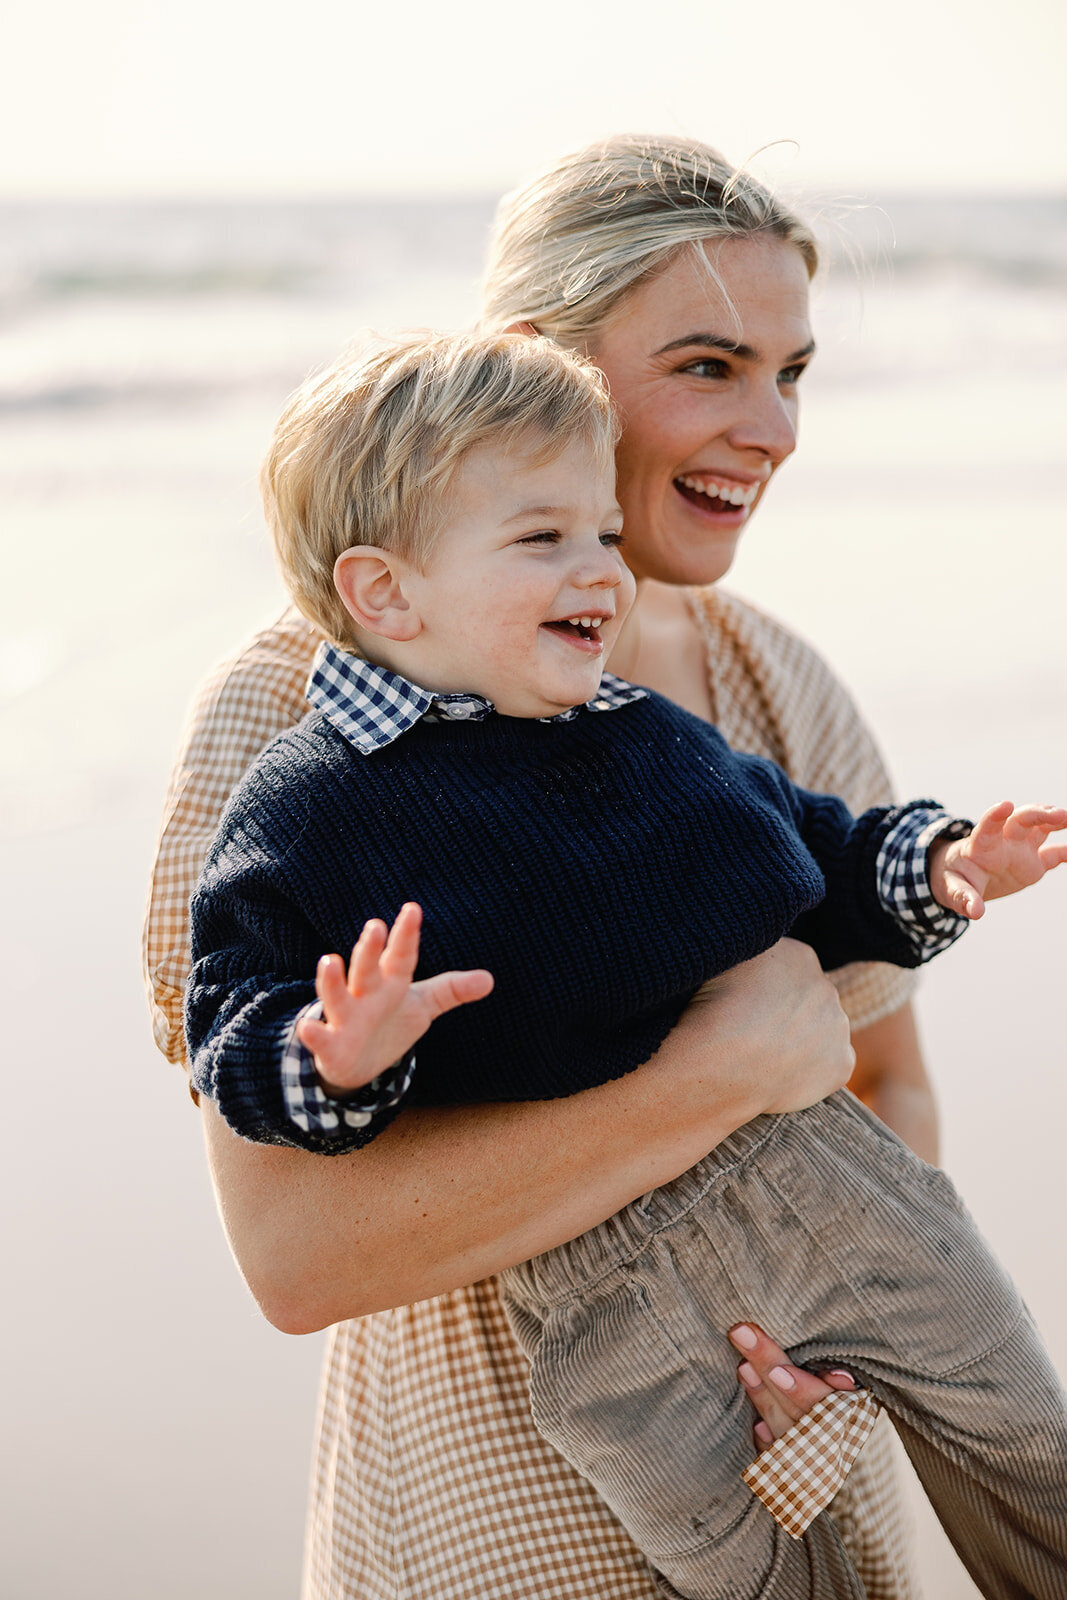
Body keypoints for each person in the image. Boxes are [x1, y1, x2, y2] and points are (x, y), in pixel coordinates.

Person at [145, 135, 967, 1599]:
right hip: (494, 1508)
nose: (771, 428)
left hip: (805, 1479)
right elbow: (298, 1257)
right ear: (542, 366)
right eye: (709, 366)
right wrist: (713, 1072)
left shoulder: (778, 686)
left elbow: (887, 1087)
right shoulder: (303, 716)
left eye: (792, 372)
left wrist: (844, 1354)